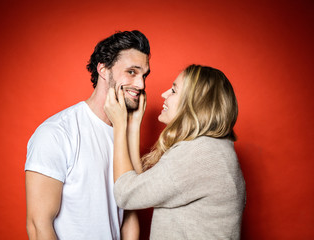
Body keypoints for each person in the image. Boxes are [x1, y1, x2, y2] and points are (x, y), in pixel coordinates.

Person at [25, 30, 150, 239]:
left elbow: (130, 215)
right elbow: (39, 226)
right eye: (132, 72)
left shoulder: (122, 135)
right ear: (103, 69)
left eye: (144, 75)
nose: (141, 84)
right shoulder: (57, 132)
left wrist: (133, 128)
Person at [104, 64, 246, 239]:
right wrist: (133, 127)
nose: (164, 94)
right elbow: (140, 189)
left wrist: (119, 125)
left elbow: (126, 194)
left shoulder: (199, 153)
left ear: (195, 102)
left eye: (173, 90)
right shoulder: (216, 149)